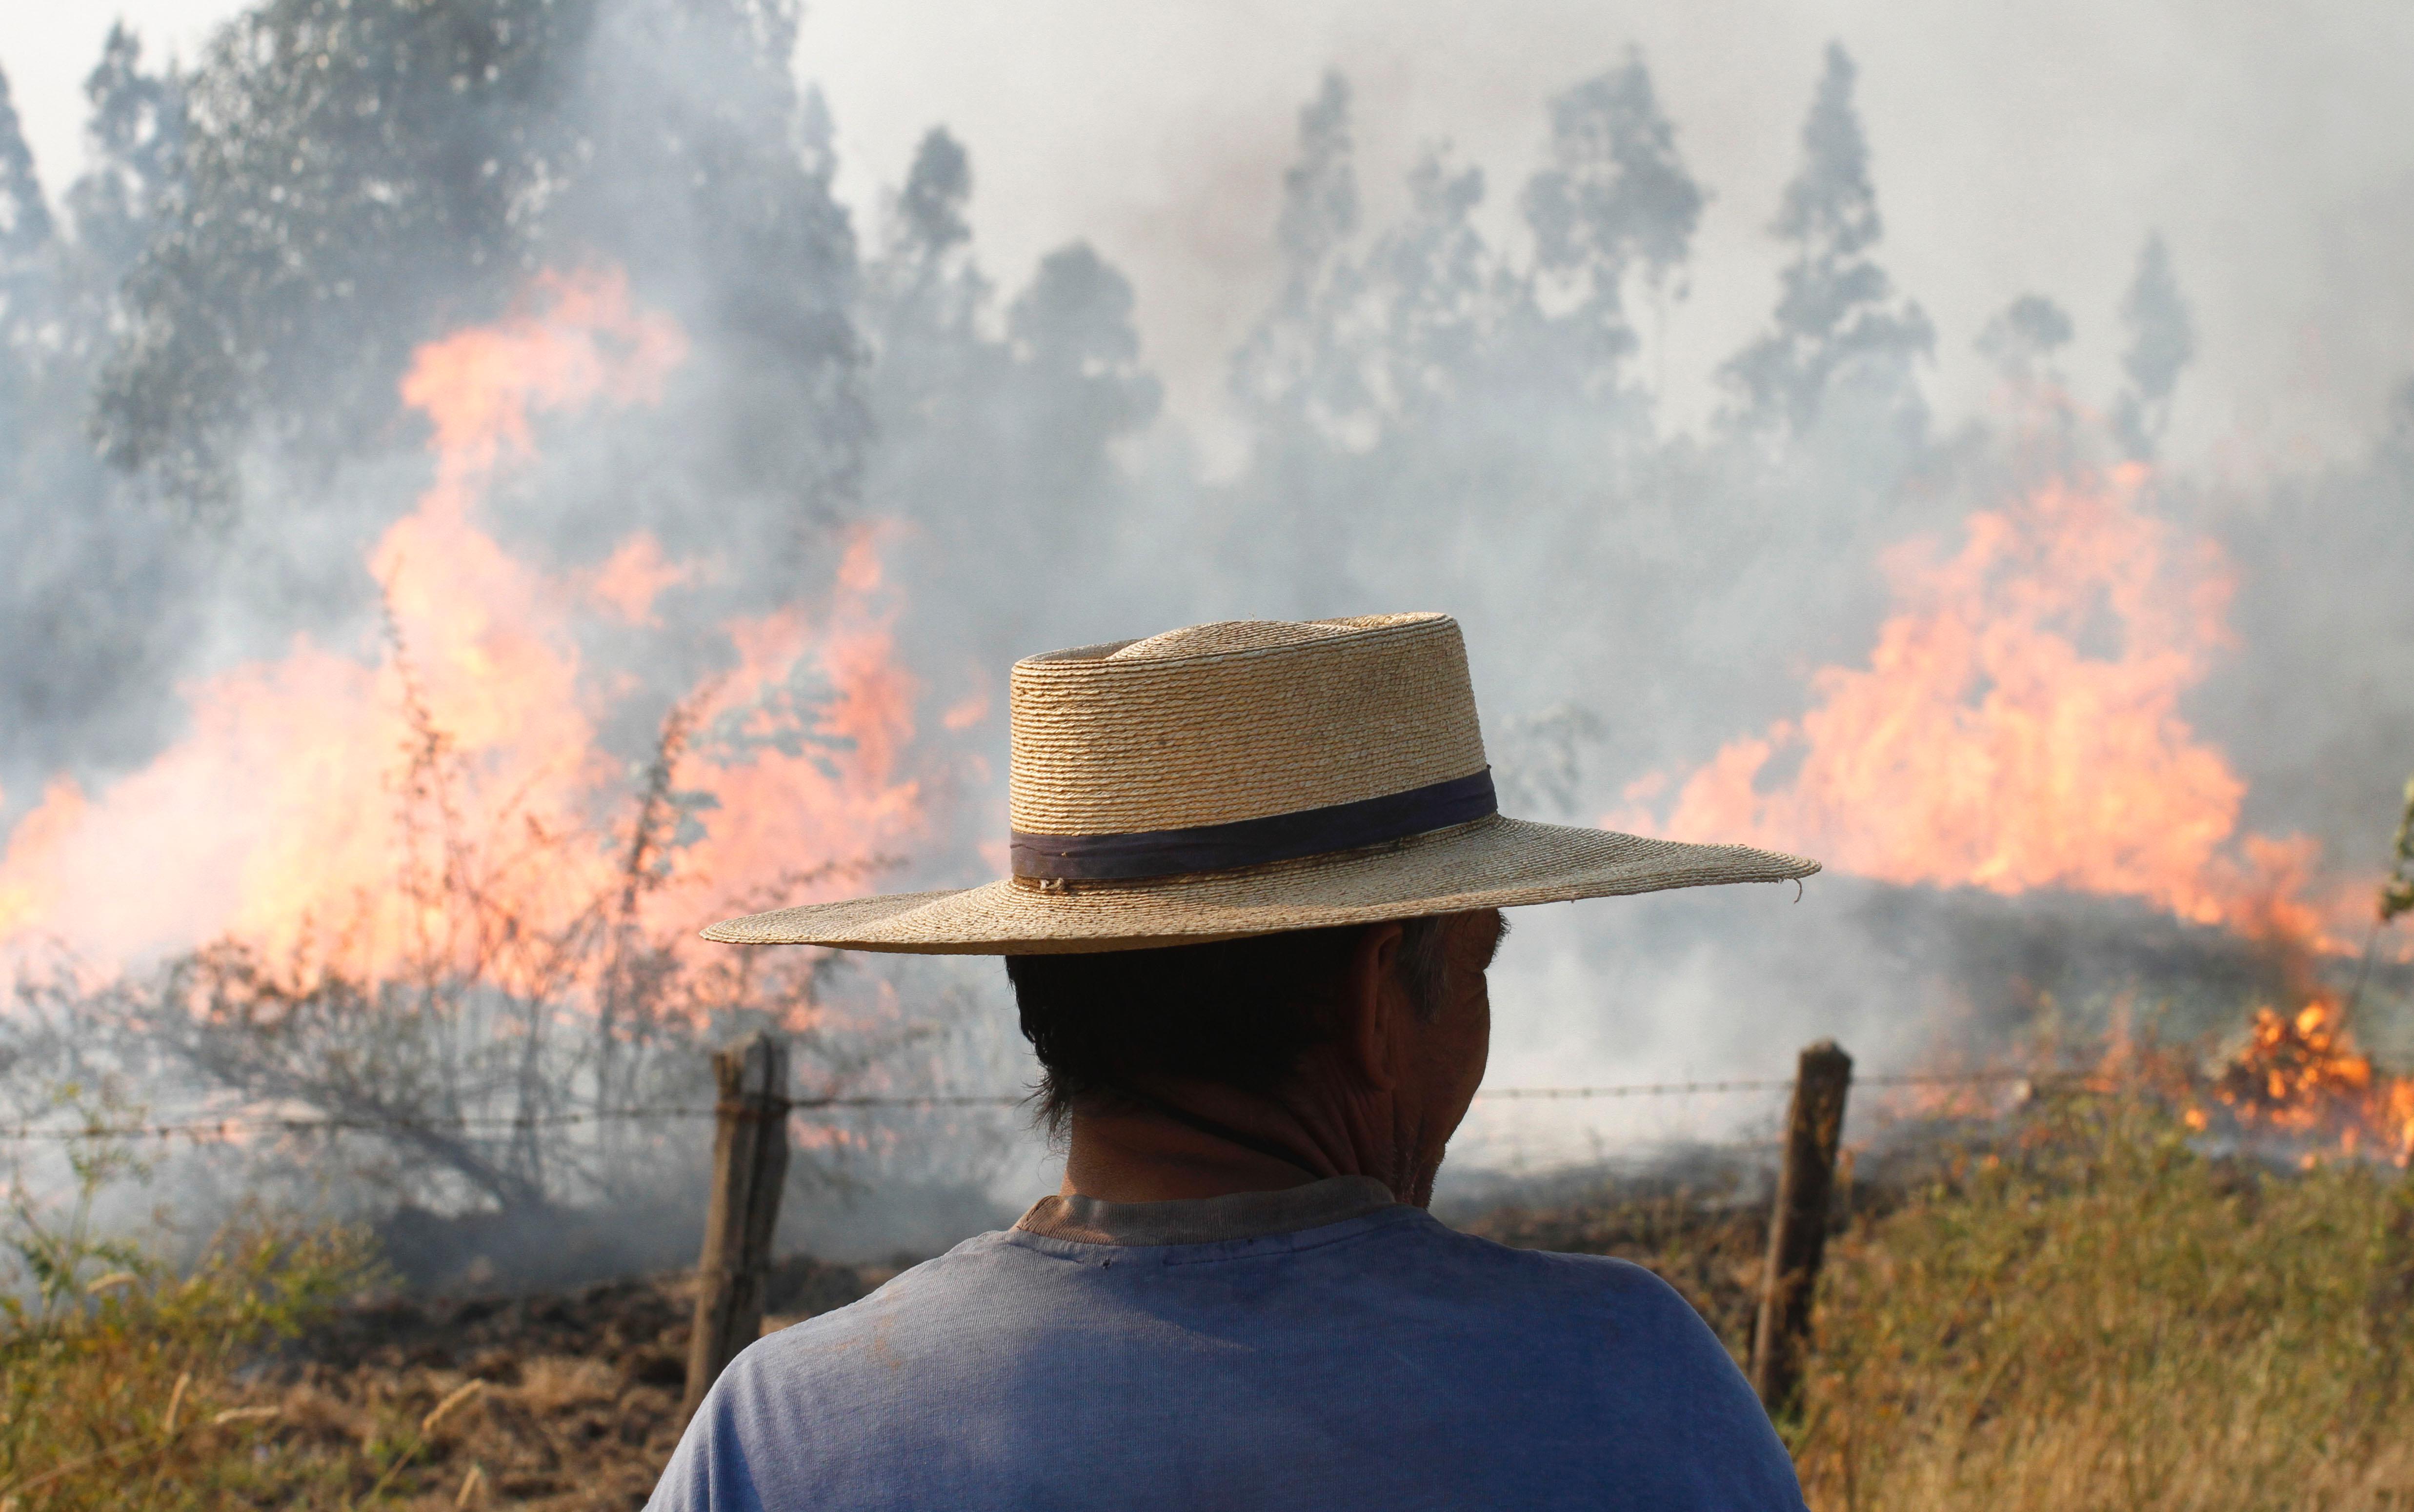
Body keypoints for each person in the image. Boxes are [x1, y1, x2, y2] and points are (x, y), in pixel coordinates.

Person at [650, 613, 1817, 1511]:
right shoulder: (1618, 1381)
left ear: (1049, 978)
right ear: (1376, 1000)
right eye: (1472, 967)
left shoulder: (783, 1435)